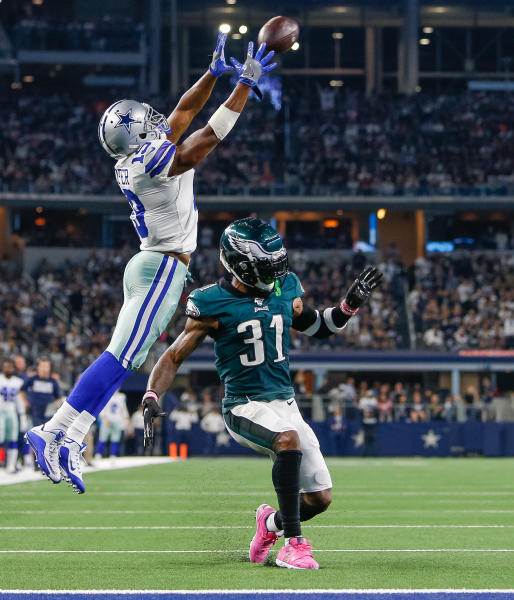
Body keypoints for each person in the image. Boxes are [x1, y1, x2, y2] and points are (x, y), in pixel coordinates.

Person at [26, 33, 278, 494]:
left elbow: (183, 113)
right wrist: (244, 87)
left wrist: (211, 75)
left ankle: (65, 435)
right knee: (121, 355)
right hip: (163, 265)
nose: (159, 121)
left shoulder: (135, 156)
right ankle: (55, 433)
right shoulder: (149, 161)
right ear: (139, 134)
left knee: (127, 355)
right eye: (149, 121)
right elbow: (203, 139)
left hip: (152, 263)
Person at [142, 218, 382, 570]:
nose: (275, 272)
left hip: (285, 403)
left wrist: (348, 306)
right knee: (287, 442)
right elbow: (174, 355)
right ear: (240, 264)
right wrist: (151, 394)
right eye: (266, 265)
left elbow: (317, 325)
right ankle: (294, 544)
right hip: (243, 406)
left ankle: (269, 525)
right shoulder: (213, 302)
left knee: (319, 499)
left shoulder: (285, 288)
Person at [0, 359, 23, 474]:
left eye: (10, 367)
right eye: (6, 367)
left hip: (11, 411)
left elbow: (19, 399)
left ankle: (11, 465)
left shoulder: (18, 381)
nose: (8, 369)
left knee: (13, 438)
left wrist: (22, 414)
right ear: (2, 368)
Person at [94, 391, 129, 460]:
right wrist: (104, 419)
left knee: (115, 439)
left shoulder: (121, 397)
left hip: (117, 421)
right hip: (107, 420)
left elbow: (123, 409)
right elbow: (102, 408)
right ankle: (98, 454)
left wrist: (126, 420)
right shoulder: (106, 395)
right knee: (102, 438)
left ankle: (113, 455)